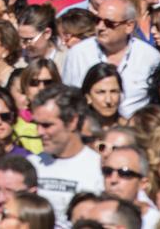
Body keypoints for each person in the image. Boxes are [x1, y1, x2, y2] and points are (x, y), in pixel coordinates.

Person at [29, 85, 103, 223]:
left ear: (72, 122)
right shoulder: (31, 165)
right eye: (37, 125)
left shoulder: (99, 168)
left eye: (47, 125)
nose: (39, 132)